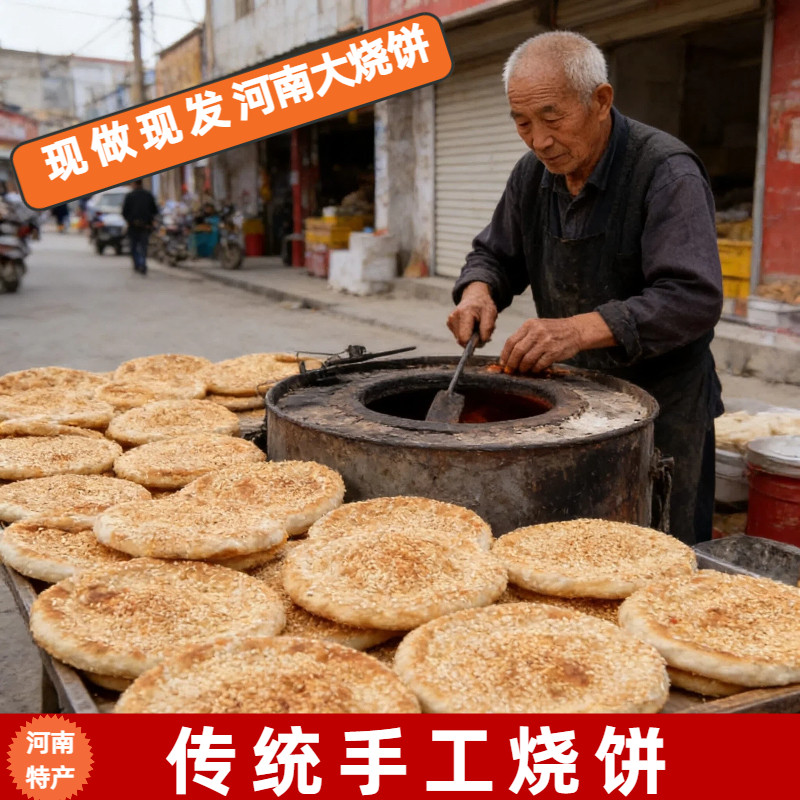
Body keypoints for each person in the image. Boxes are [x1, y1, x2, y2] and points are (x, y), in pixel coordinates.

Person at [447, 31, 723, 547]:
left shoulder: (665, 171)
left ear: (600, 101)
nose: (538, 140)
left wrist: (578, 330)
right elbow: (495, 254)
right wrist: (478, 290)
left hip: (662, 409)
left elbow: (693, 296)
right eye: (522, 123)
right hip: (574, 399)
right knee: (576, 547)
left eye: (553, 118)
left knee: (663, 545)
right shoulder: (532, 174)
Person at [122, 179, 159, 275]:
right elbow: (154, 210)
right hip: (145, 226)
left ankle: (138, 264)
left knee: (134, 247)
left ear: (134, 184)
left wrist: (129, 220)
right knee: (143, 246)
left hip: (133, 226)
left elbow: (124, 212)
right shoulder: (148, 195)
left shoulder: (130, 196)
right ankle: (142, 263)